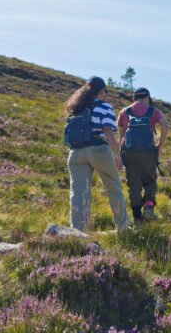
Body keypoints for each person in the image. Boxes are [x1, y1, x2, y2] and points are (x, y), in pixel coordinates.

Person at [64, 76, 129, 232]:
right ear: (101, 91)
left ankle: (79, 232)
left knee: (79, 194)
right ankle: (123, 229)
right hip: (99, 150)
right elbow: (108, 130)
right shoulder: (104, 106)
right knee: (113, 188)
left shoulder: (76, 107)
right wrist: (117, 154)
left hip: (76, 153)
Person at [116, 87, 168, 227]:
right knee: (150, 181)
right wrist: (159, 145)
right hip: (148, 152)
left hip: (129, 152)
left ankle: (137, 218)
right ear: (147, 98)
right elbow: (164, 124)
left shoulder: (124, 111)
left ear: (134, 98)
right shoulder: (153, 110)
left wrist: (121, 152)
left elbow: (120, 135)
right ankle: (149, 207)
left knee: (134, 185)